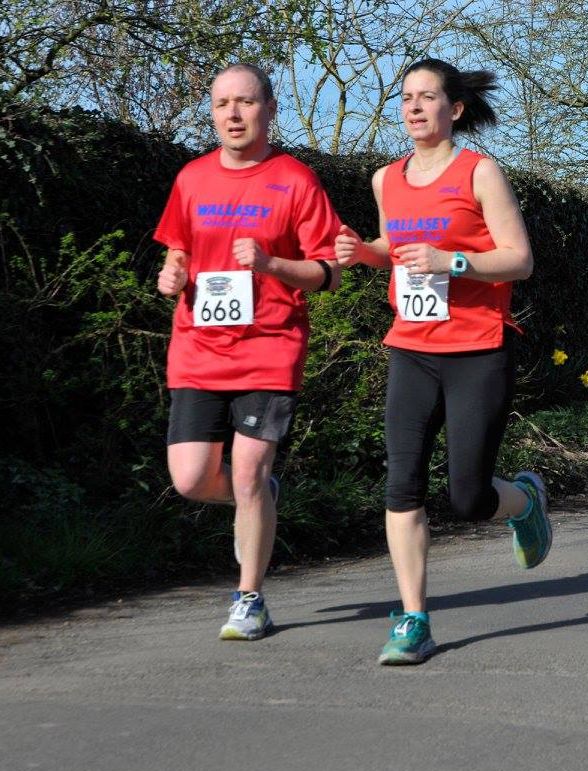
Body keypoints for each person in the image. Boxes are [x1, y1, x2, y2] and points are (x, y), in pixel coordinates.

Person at [334, 58, 552, 665]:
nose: (414, 107)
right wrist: (364, 253)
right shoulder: (386, 179)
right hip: (411, 348)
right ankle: (413, 619)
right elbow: (394, 249)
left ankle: (525, 501)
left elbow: (520, 259)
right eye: (407, 97)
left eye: (427, 97)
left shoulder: (480, 173)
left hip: (477, 348)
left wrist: (454, 262)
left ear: (454, 109)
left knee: (467, 497)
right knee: (401, 481)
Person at [154, 63, 343, 640]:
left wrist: (270, 264)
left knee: (245, 476)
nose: (232, 115)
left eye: (245, 102)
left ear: (269, 108)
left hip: (269, 346)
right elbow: (178, 251)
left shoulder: (295, 180)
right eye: (221, 104)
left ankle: (249, 598)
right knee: (189, 480)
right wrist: (171, 272)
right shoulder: (191, 178)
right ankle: (259, 493)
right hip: (198, 347)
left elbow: (329, 273)